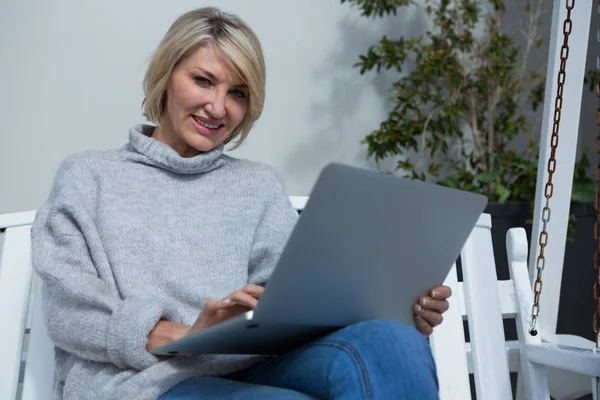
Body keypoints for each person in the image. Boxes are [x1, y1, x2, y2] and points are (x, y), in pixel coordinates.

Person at [31, 7, 452, 400]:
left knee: (394, 343)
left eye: (237, 93)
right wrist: (188, 334)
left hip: (261, 364)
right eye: (203, 80)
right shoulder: (89, 177)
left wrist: (395, 311)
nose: (218, 108)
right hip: (147, 381)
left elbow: (295, 297)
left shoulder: (258, 185)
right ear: (166, 74)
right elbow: (70, 311)